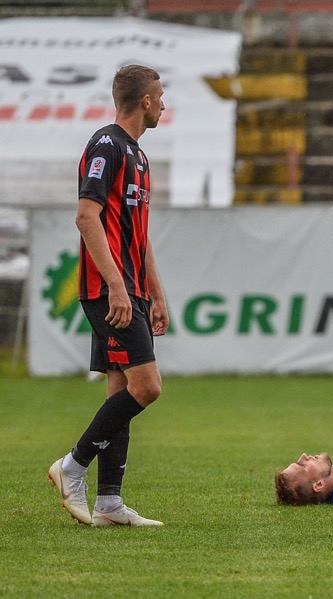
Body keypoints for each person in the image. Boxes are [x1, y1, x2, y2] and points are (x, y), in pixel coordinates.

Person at [47, 65, 168, 527]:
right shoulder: (107, 144)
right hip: (108, 291)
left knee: (122, 388)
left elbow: (140, 235)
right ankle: (71, 466)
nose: (163, 104)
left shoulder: (138, 155)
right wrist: (117, 285)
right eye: (160, 96)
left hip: (132, 291)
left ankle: (110, 503)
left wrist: (155, 294)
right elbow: (85, 216)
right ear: (145, 101)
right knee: (147, 387)